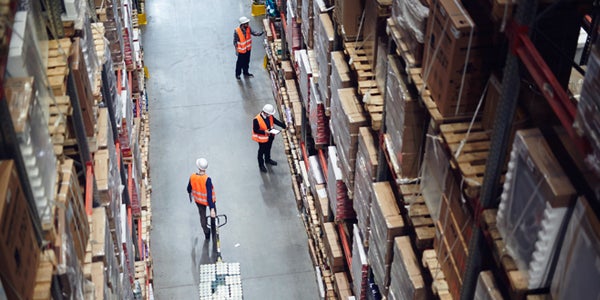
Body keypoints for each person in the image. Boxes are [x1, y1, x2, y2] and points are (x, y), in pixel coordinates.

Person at [187, 158, 216, 239]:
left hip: (199, 201)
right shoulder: (207, 179)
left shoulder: (192, 177)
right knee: (213, 215)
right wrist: (212, 209)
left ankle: (206, 232)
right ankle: (214, 228)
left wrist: (190, 193)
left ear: (198, 167)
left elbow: (188, 188)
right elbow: (209, 195)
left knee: (202, 217)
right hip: (209, 201)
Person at [252, 104, 286, 173]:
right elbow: (255, 130)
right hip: (262, 139)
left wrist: (283, 125)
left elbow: (275, 121)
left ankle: (267, 159)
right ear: (265, 112)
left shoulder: (270, 116)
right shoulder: (256, 119)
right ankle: (261, 165)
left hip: (270, 137)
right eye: (269, 114)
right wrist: (264, 131)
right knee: (261, 152)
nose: (270, 115)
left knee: (268, 148)